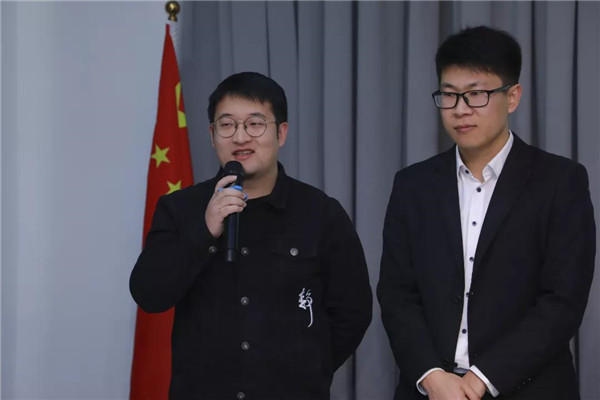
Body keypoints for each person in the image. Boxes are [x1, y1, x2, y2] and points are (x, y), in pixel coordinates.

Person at [377, 26, 595, 400]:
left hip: (529, 388)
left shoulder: (560, 181)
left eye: (476, 94)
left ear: (512, 97)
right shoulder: (412, 185)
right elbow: (397, 294)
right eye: (449, 95)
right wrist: (433, 377)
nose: (460, 109)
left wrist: (480, 379)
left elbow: (563, 301)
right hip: (432, 390)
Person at [130, 71, 372, 399]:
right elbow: (148, 293)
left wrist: (307, 370)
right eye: (227, 125)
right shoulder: (180, 208)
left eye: (255, 123)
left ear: (281, 133)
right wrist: (204, 231)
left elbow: (353, 311)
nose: (241, 137)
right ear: (212, 135)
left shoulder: (321, 213)